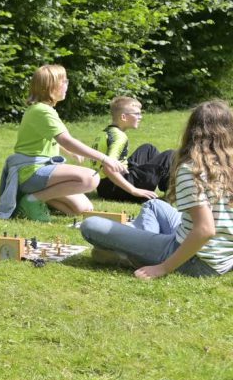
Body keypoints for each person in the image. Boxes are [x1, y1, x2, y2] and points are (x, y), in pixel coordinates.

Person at [80, 99, 233, 279]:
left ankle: (132, 255)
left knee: (90, 225)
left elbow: (205, 230)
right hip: (221, 255)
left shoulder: (192, 170)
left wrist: (163, 268)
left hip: (196, 259)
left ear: (192, 130)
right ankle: (140, 247)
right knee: (154, 205)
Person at [0, 64, 124, 221]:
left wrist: (69, 152)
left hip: (37, 171)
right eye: (64, 81)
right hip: (30, 172)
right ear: (51, 86)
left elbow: (50, 138)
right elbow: (66, 140)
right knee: (91, 179)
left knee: (83, 209)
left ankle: (31, 198)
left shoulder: (39, 109)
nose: (67, 85)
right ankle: (32, 200)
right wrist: (104, 158)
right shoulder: (42, 111)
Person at [90, 96, 174, 202]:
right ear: (123, 117)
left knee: (149, 149)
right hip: (115, 188)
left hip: (103, 187)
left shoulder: (106, 132)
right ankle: (172, 193)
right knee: (170, 154)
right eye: (137, 114)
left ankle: (165, 184)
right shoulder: (119, 137)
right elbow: (108, 168)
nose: (140, 117)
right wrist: (133, 190)